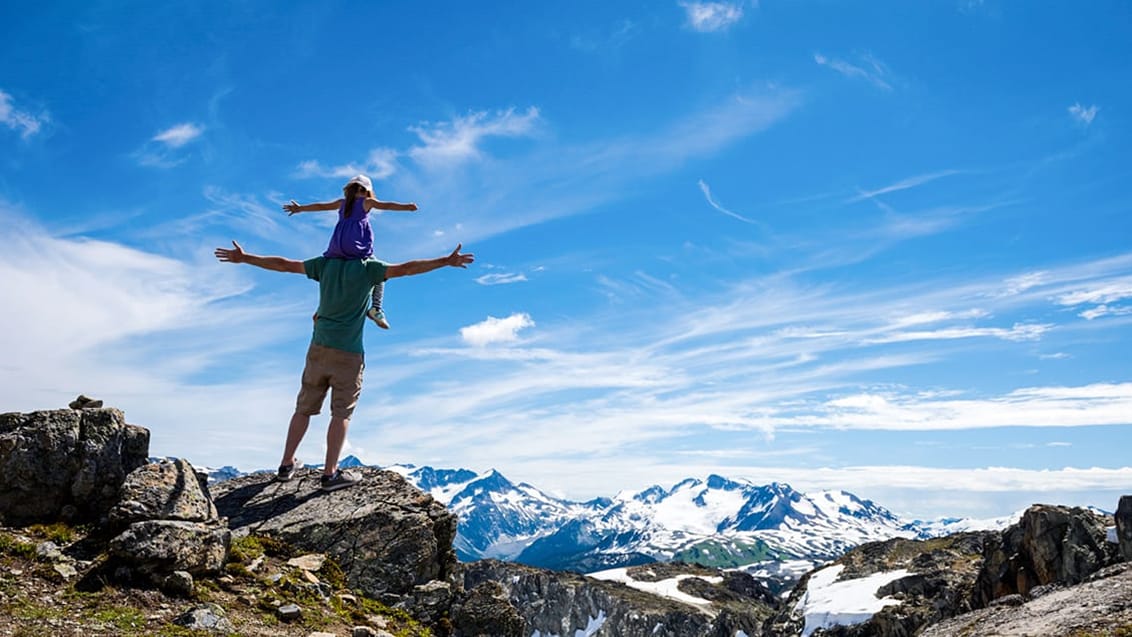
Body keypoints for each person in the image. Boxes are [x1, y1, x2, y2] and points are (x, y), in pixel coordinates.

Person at [214, 239, 474, 491]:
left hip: (318, 348)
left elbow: (284, 264)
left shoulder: (324, 264)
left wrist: (246, 258)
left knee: (303, 409)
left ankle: (285, 465)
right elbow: (407, 269)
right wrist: (445, 261)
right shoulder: (369, 268)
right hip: (348, 353)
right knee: (341, 414)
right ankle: (330, 474)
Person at [284, 174, 418, 329]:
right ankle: (376, 308)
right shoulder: (367, 202)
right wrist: (406, 207)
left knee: (332, 277)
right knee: (379, 274)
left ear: (349, 190)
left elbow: (321, 206)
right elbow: (387, 205)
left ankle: (322, 309)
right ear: (366, 191)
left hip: (338, 249)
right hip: (357, 249)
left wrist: (300, 209)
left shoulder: (342, 203)